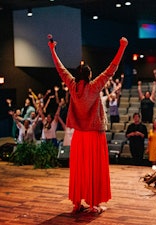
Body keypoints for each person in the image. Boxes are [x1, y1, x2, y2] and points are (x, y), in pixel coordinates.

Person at [48, 36, 128, 214]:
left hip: (79, 136)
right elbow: (111, 69)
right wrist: (122, 47)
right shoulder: (94, 87)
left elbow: (60, 69)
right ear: (89, 75)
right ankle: (93, 204)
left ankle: (77, 203)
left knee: (79, 170)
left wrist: (52, 49)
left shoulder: (72, 85)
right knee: (94, 169)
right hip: (93, 135)